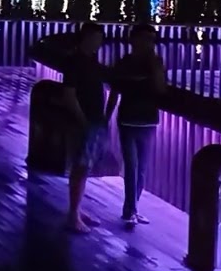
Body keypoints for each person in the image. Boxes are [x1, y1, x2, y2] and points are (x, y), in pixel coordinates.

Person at [29, 22, 114, 233]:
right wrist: (82, 120)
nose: (98, 43)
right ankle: (73, 216)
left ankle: (76, 211)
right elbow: (69, 95)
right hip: (84, 122)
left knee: (83, 167)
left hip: (92, 120)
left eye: (99, 39)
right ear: (84, 39)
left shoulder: (89, 60)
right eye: (94, 39)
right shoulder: (75, 62)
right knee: (80, 167)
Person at [107, 23, 167, 225]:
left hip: (146, 120)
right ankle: (130, 209)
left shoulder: (153, 62)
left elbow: (160, 88)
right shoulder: (126, 63)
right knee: (133, 166)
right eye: (145, 39)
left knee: (140, 168)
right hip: (131, 120)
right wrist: (107, 117)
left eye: (151, 40)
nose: (149, 44)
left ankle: (132, 208)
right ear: (134, 40)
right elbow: (115, 91)